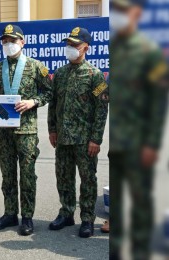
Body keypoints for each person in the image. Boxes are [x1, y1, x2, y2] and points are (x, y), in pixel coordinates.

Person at [109, 0, 168, 258]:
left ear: (136, 14)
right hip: (118, 140)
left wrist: (152, 143)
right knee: (119, 199)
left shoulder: (149, 52)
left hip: (139, 141)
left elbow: (158, 103)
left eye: (123, 12)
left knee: (140, 198)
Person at [0, 24, 52, 236]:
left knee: (27, 175)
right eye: (5, 41)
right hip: (4, 132)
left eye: (13, 41)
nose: (8, 45)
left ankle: (27, 217)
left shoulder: (36, 67)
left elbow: (49, 93)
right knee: (7, 175)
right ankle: (10, 213)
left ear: (22, 43)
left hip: (26, 131)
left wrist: (33, 101)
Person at [47, 27, 109, 238]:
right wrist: (52, 130)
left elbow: (102, 109)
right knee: (63, 177)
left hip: (85, 140)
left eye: (75, 45)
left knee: (87, 179)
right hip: (63, 138)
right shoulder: (60, 74)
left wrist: (96, 139)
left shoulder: (96, 76)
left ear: (86, 48)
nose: (70, 48)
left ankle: (87, 218)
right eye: (69, 44)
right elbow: (53, 104)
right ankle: (66, 213)